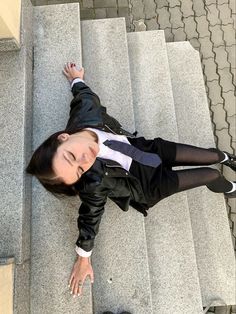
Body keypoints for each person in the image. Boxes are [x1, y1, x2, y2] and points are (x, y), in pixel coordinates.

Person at [26, 63, 236, 298]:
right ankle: (229, 188)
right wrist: (83, 257)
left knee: (212, 155)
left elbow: (85, 96)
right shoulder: (92, 181)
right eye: (77, 172)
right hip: (149, 185)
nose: (84, 161)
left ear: (64, 137)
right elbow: (90, 217)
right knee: (211, 174)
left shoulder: (86, 112)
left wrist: (76, 80)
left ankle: (227, 157)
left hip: (147, 149)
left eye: (72, 156)